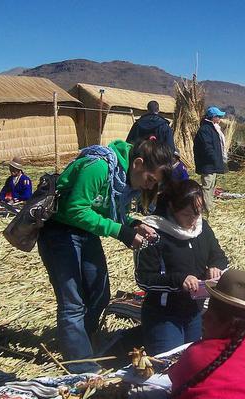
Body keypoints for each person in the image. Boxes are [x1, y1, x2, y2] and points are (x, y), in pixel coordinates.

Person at [37, 138, 173, 374]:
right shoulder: (99, 166)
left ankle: (81, 341)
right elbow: (75, 210)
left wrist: (134, 224)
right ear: (138, 163)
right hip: (59, 232)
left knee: (100, 294)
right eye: (150, 180)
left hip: (85, 232)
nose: (149, 187)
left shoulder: (120, 178)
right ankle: (81, 366)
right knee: (72, 303)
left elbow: (106, 210)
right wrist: (122, 232)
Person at [135, 179, 228, 355]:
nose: (193, 220)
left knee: (194, 361)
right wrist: (179, 280)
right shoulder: (153, 233)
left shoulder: (202, 227)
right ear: (172, 207)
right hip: (164, 314)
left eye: (198, 213)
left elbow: (218, 255)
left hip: (194, 310)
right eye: (187, 215)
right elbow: (144, 279)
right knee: (169, 364)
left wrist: (216, 266)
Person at [168, 269, 245, 399]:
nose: (203, 318)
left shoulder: (198, 355)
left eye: (209, 314)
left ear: (226, 321)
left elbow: (175, 380)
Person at [193, 106, 227, 210]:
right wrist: (215, 159)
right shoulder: (205, 130)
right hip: (207, 164)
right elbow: (207, 147)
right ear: (213, 117)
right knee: (207, 187)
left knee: (211, 187)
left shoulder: (212, 129)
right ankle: (206, 210)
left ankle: (209, 206)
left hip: (212, 164)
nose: (220, 119)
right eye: (218, 116)